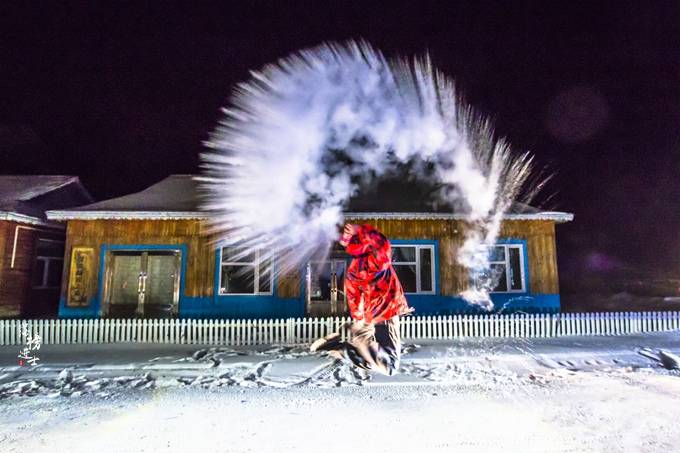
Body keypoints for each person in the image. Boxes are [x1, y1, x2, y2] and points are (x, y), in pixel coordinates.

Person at [310, 223, 414, 375]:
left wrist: (359, 321)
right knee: (389, 365)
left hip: (367, 317)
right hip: (385, 312)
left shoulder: (353, 270)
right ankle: (345, 348)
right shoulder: (376, 260)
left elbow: (354, 298)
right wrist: (361, 230)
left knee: (371, 360)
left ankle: (339, 348)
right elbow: (382, 243)